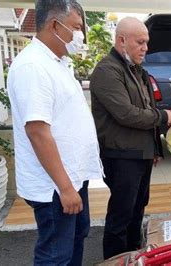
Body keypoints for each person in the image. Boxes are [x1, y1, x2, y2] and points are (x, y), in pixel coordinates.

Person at [6, 0, 103, 265]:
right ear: (54, 25)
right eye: (76, 27)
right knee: (55, 254)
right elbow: (37, 131)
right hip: (54, 185)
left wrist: (72, 184)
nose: (80, 35)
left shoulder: (56, 62)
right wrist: (64, 187)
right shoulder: (33, 67)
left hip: (71, 177)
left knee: (75, 238)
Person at [90, 17, 171, 259]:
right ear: (121, 40)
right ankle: (115, 260)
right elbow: (127, 114)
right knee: (121, 214)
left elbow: (147, 106)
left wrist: (155, 149)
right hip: (121, 156)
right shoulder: (107, 70)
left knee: (137, 209)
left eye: (146, 42)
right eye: (140, 42)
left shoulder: (138, 71)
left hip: (140, 153)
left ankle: (133, 257)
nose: (145, 48)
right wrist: (164, 117)